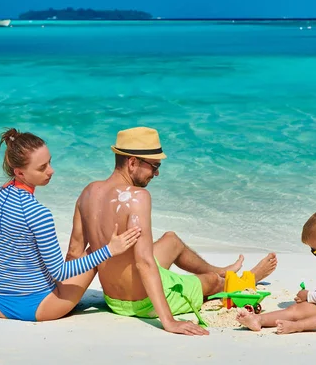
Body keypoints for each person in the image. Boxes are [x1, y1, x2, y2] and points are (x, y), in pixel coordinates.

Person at [66, 126, 277, 335]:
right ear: (132, 162)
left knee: (171, 239)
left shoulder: (89, 192)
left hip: (115, 298)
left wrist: (63, 298)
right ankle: (248, 280)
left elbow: (75, 252)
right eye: (154, 166)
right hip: (142, 302)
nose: (157, 173)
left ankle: (219, 270)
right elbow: (144, 262)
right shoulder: (138, 197)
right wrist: (169, 321)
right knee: (211, 283)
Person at [0, 128, 141, 322]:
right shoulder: (38, 214)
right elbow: (60, 272)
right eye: (42, 167)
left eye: (50, 162)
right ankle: (123, 295)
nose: (51, 171)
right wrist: (109, 250)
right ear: (20, 172)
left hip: (0, 302)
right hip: (37, 307)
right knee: (97, 245)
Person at [236, 209, 316, 334]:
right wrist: (311, 297)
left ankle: (298, 326)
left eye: (315, 251)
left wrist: (309, 295)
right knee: (296, 310)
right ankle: (258, 320)